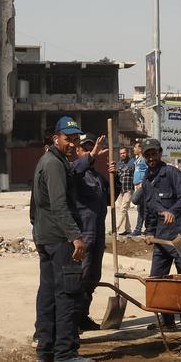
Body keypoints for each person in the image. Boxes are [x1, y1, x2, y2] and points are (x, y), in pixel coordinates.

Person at [30, 116, 95, 362]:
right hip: (59, 238)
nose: (72, 144)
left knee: (47, 293)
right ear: (56, 138)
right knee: (68, 293)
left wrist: (38, 233)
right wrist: (75, 236)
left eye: (76, 140)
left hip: (46, 236)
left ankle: (45, 348)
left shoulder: (48, 161)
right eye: (68, 139)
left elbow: (35, 205)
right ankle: (65, 352)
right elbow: (59, 204)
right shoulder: (54, 165)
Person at [140, 138, 181, 330]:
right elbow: (149, 208)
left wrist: (172, 211)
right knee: (157, 280)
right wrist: (149, 231)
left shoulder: (172, 173)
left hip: (180, 237)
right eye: (147, 155)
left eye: (154, 153)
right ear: (143, 156)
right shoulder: (147, 179)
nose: (151, 157)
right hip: (160, 239)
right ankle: (167, 321)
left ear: (160, 152)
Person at [72, 133, 112, 332]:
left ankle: (83, 316)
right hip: (84, 234)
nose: (89, 151)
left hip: (98, 233)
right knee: (81, 278)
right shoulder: (74, 172)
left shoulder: (97, 176)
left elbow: (111, 198)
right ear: (78, 151)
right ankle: (73, 320)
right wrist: (93, 155)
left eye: (91, 148)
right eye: (85, 149)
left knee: (93, 278)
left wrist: (115, 178)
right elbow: (75, 171)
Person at [114, 147, 135, 235]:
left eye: (124, 153)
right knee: (124, 210)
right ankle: (128, 229)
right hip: (120, 190)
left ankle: (115, 228)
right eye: (121, 153)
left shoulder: (132, 162)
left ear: (127, 153)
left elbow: (131, 171)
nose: (122, 155)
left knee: (123, 209)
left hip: (128, 189)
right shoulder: (118, 164)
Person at [129, 140, 148, 237]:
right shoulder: (138, 159)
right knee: (141, 209)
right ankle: (138, 229)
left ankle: (146, 228)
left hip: (143, 186)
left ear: (140, 149)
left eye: (135, 147)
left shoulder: (144, 158)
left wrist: (143, 183)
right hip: (137, 186)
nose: (134, 149)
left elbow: (148, 171)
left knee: (135, 200)